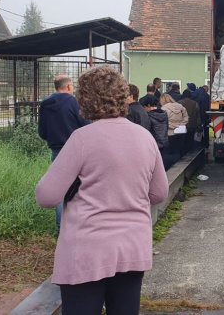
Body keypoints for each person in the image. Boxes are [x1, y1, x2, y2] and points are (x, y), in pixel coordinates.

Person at [35, 66, 168, 314]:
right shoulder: (144, 138)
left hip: (86, 250)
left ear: (84, 99)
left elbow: (46, 196)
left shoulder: (82, 139)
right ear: (122, 96)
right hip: (131, 247)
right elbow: (159, 194)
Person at [38, 75, 90, 232]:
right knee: (80, 187)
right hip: (76, 150)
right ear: (68, 87)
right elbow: (85, 124)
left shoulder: (45, 104)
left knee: (60, 187)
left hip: (56, 150)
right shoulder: (73, 102)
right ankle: (79, 224)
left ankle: (62, 227)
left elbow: (42, 132)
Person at [160, 93, 188, 160]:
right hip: (180, 132)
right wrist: (180, 125)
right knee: (178, 150)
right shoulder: (180, 106)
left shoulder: (163, 108)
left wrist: (172, 126)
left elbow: (164, 121)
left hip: (169, 133)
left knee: (169, 152)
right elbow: (186, 118)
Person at [178, 89, 201, 155]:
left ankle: (183, 154)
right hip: (192, 125)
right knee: (190, 140)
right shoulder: (195, 103)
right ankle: (190, 153)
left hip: (181, 126)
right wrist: (198, 126)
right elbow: (198, 116)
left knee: (182, 141)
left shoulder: (179, 103)